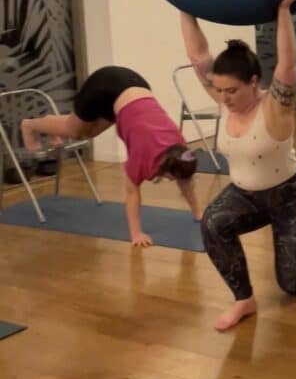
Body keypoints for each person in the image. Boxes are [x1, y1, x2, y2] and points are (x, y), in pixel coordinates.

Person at [179, 0, 296, 332]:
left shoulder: (276, 106)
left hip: (293, 198)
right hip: (245, 197)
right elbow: (198, 55)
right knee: (212, 223)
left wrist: (283, 11)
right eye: (219, 90)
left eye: (232, 90)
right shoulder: (224, 100)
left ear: (254, 81)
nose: (224, 98)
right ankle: (244, 300)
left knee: (294, 283)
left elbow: (287, 64)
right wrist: (185, 5)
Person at [20, 66, 200, 246]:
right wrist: (136, 233)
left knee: (90, 132)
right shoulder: (142, 154)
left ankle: (52, 127)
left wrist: (198, 212)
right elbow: (132, 192)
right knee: (74, 131)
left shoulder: (179, 147)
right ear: (164, 163)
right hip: (104, 86)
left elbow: (185, 180)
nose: (171, 180)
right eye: (171, 176)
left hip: (132, 88)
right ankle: (30, 125)